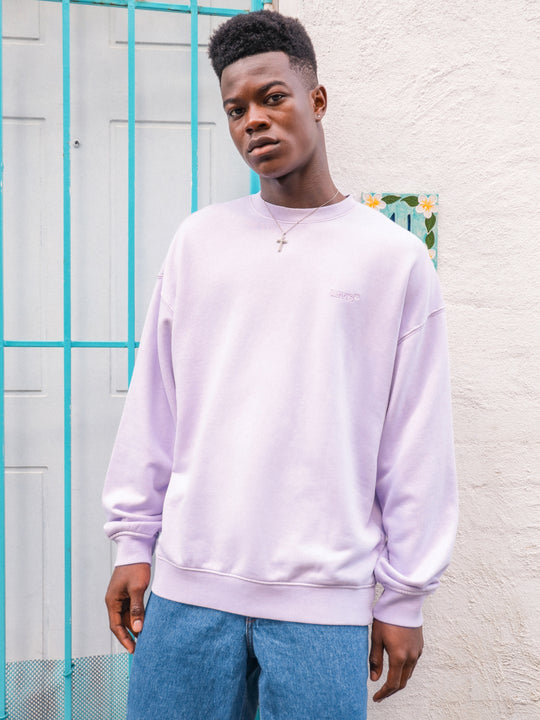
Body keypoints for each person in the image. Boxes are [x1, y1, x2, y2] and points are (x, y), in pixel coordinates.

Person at [103, 10, 458, 720]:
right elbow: (156, 403)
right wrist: (132, 541)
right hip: (187, 591)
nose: (254, 122)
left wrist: (404, 596)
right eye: (236, 110)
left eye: (272, 98)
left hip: (323, 606)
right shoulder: (199, 242)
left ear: (316, 100)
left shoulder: (392, 258)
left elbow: (415, 439)